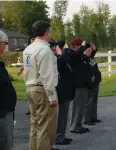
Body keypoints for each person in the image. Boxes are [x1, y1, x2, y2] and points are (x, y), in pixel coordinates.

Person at [23, 20, 59, 150]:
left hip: (30, 88)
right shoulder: (44, 50)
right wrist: (52, 95)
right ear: (46, 32)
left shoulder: (28, 49)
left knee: (35, 125)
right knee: (45, 127)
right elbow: (47, 75)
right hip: (42, 89)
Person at [68, 38, 93, 134]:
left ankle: (79, 125)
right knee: (77, 106)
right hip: (78, 84)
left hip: (84, 84)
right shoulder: (72, 54)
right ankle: (74, 126)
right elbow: (78, 54)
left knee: (82, 106)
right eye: (81, 47)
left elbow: (87, 58)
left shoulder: (80, 56)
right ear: (77, 47)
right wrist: (82, 47)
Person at [54, 41, 75, 145]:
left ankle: (62, 135)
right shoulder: (58, 59)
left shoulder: (64, 59)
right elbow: (62, 61)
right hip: (61, 91)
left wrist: (65, 51)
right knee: (62, 116)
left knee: (65, 115)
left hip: (66, 91)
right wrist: (63, 51)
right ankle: (58, 136)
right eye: (64, 49)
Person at [0, 30, 17, 150]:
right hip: (2, 114)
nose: (6, 46)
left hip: (5, 112)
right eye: (5, 42)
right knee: (4, 142)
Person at [84, 42, 102, 125]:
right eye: (89, 49)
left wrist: (94, 48)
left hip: (96, 81)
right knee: (89, 101)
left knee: (94, 101)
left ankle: (93, 117)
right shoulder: (85, 58)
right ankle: (87, 119)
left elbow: (94, 51)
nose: (91, 50)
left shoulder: (91, 57)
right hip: (91, 82)